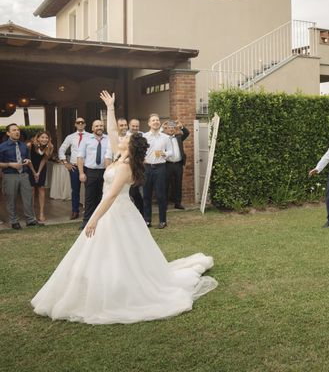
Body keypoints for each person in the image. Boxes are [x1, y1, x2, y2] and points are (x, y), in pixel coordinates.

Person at [31, 91, 217, 324]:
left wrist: (93, 219)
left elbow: (109, 197)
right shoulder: (120, 156)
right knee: (100, 254)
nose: (120, 138)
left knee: (122, 254)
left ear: (130, 146)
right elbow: (111, 131)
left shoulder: (125, 167)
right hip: (113, 212)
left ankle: (120, 287)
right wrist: (110, 107)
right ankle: (98, 282)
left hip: (117, 213)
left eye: (125, 139)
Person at [0, 124, 42, 229]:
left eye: (18, 130)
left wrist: (29, 162)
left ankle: (31, 220)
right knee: (11, 199)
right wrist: (10, 164)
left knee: (28, 198)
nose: (17, 132)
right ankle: (14, 221)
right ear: (8, 133)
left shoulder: (24, 145)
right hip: (10, 175)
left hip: (24, 175)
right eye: (14, 130)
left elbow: (28, 159)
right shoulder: (2, 147)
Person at [78, 119, 111, 230]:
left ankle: (101, 221)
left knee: (103, 197)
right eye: (96, 126)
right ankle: (86, 221)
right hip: (90, 172)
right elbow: (80, 157)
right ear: (92, 128)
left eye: (101, 125)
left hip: (105, 172)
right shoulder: (86, 140)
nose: (99, 127)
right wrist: (81, 173)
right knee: (89, 198)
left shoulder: (109, 140)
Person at [143, 114, 173, 228]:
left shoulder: (165, 137)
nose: (155, 122)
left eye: (157, 120)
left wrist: (164, 153)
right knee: (146, 195)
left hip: (160, 168)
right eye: (153, 120)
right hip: (147, 168)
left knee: (161, 195)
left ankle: (162, 221)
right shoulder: (144, 137)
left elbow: (171, 151)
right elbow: (140, 151)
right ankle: (147, 220)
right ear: (149, 123)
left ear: (159, 123)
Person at [58, 117, 86, 220]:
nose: (80, 124)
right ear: (75, 124)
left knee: (90, 190)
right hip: (74, 167)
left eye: (82, 122)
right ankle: (75, 211)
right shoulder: (70, 137)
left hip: (87, 166)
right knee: (75, 190)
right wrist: (65, 162)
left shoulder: (90, 136)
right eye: (78, 122)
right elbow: (61, 150)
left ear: (85, 124)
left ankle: (91, 210)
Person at [27, 131, 54, 222]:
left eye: (46, 137)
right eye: (42, 137)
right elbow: (28, 159)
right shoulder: (30, 145)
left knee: (41, 188)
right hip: (30, 168)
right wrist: (34, 172)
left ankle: (41, 212)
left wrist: (38, 172)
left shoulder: (50, 146)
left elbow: (44, 160)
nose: (44, 139)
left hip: (41, 168)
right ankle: (32, 213)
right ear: (37, 138)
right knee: (32, 189)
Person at [164, 120, 190, 210]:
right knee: (166, 184)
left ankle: (177, 203)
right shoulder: (163, 138)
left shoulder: (179, 137)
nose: (171, 129)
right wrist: (162, 127)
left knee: (178, 184)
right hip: (168, 164)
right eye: (169, 128)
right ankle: (165, 204)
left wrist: (181, 126)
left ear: (175, 129)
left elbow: (187, 133)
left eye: (173, 128)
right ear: (166, 129)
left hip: (178, 165)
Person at [127, 118, 144, 215]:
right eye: (133, 126)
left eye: (137, 126)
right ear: (129, 125)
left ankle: (141, 213)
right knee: (129, 192)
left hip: (138, 168)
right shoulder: (126, 137)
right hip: (127, 167)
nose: (135, 128)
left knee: (138, 192)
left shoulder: (143, 135)